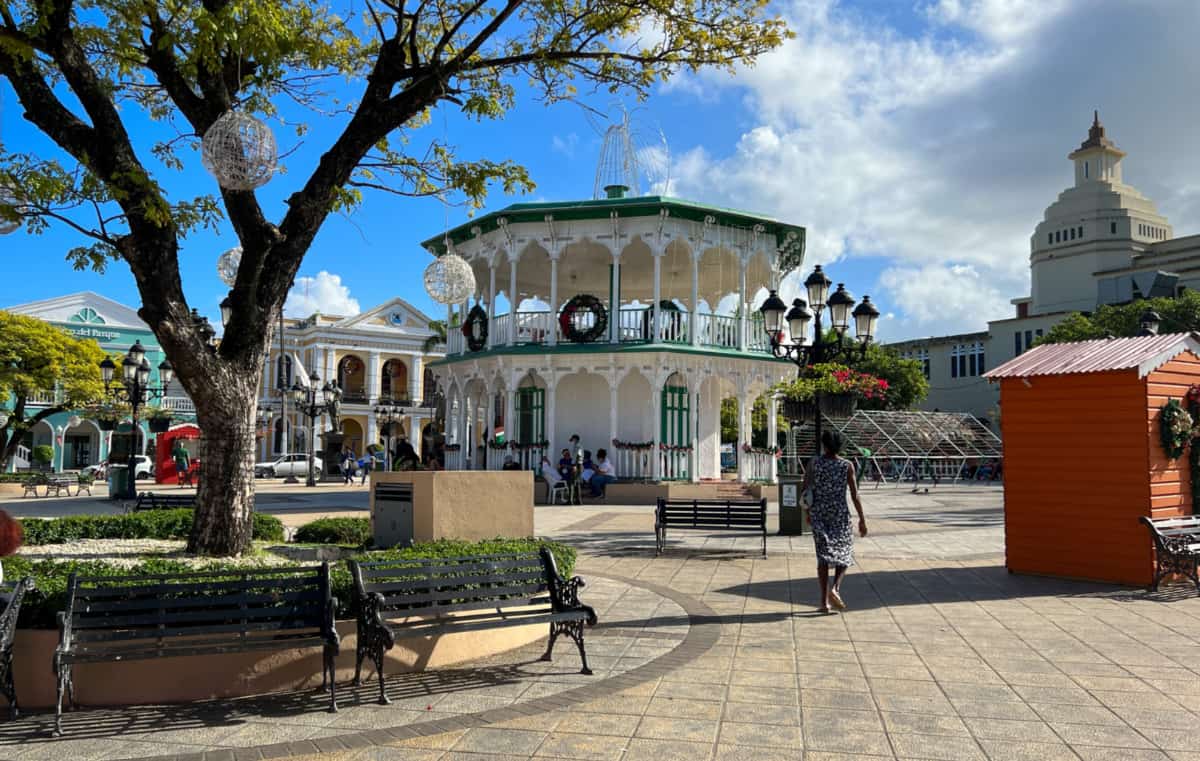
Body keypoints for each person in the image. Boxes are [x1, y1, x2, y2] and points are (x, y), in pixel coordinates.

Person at [801, 430, 867, 614]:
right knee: (845, 553)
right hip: (840, 515)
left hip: (819, 514)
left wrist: (807, 511)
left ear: (824, 444)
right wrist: (861, 518)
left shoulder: (814, 463)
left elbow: (805, 489)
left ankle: (824, 602)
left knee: (823, 557)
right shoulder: (847, 465)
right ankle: (835, 588)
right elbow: (855, 494)